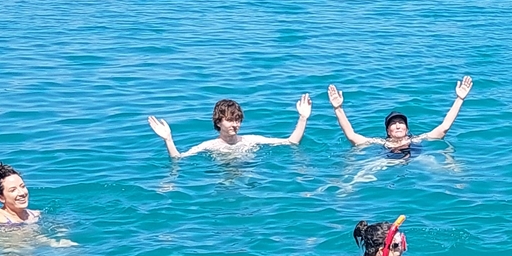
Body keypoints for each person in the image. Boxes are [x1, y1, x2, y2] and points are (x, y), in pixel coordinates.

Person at [328, 76, 473, 155]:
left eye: (401, 122)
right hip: (386, 161)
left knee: (444, 168)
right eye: (393, 123)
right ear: (388, 132)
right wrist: (338, 108)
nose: (397, 125)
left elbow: (445, 127)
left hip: (416, 160)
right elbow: (351, 136)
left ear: (407, 129)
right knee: (361, 175)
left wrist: (459, 99)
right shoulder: (380, 142)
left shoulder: (417, 139)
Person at [148, 96, 310, 159]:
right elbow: (178, 158)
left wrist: (303, 118)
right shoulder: (209, 146)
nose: (235, 124)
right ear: (218, 122)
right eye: (230, 120)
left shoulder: (251, 140)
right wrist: (168, 139)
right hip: (223, 181)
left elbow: (291, 142)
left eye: (238, 120)